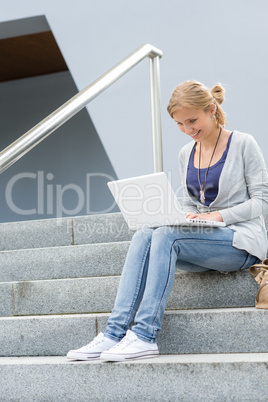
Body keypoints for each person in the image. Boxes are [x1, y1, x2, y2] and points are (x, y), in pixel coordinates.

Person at [67, 80, 268, 362]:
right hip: (203, 238)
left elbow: (261, 201)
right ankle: (114, 333)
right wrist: (184, 215)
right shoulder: (187, 153)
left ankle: (146, 336)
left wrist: (218, 216)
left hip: (240, 242)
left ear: (211, 110)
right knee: (145, 233)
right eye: (179, 124)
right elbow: (190, 201)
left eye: (192, 120)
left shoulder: (244, 144)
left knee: (164, 235)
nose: (187, 130)